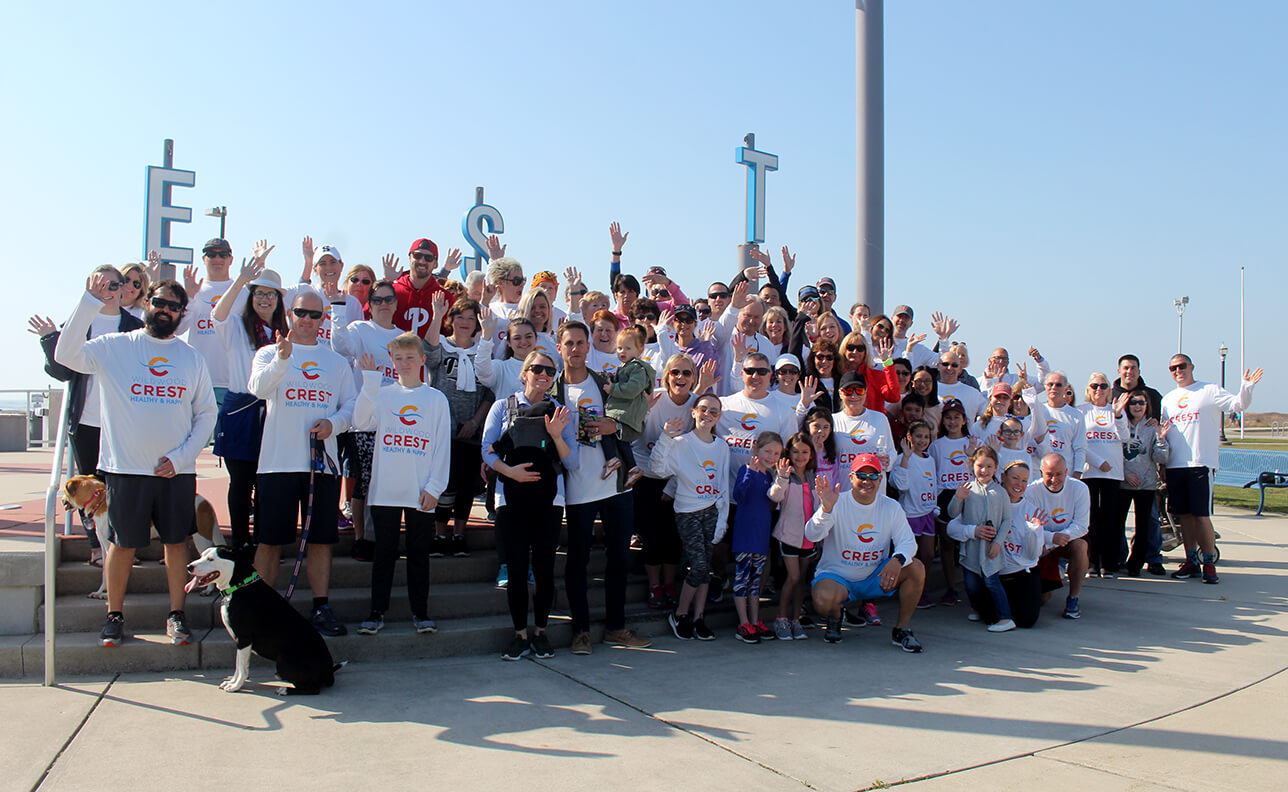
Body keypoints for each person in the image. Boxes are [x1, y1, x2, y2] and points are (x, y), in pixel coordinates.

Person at [55, 273, 216, 647]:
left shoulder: (191, 358)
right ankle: (114, 616)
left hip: (175, 472)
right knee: (122, 545)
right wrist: (88, 302)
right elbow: (65, 355)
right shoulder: (114, 346)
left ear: (181, 314)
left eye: (174, 307)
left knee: (176, 545)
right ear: (147, 304)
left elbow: (207, 413)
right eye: (159, 302)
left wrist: (181, 457)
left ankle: (177, 615)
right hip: (125, 470)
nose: (165, 310)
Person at [247, 288, 356, 635]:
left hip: (320, 466)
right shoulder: (268, 353)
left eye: (315, 315)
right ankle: (262, 609)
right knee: (269, 539)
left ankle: (321, 608)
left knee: (322, 540)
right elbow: (258, 389)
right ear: (289, 314)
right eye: (301, 313)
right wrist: (282, 359)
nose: (307, 320)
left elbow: (351, 407)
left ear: (323, 319)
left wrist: (333, 424)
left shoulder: (336, 362)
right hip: (277, 464)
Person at [32, 264, 143, 566]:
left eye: (113, 285)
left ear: (123, 289)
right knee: (86, 487)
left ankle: (120, 547)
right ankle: (96, 546)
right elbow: (62, 369)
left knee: (120, 485)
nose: (107, 290)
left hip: (121, 423)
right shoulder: (81, 323)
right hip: (86, 420)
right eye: (99, 284)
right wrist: (48, 340)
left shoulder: (134, 326)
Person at [553, 321, 651, 653]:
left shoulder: (606, 383)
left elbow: (635, 421)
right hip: (579, 489)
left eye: (581, 342)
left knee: (619, 560)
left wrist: (616, 427)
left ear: (588, 346)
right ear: (560, 348)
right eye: (570, 343)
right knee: (577, 562)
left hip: (617, 487)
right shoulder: (555, 392)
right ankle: (580, 630)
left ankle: (616, 627)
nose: (576, 349)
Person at [351, 335, 452, 636]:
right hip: (386, 491)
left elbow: (441, 447)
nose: (404, 363)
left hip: (420, 490)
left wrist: (435, 487)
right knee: (383, 553)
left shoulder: (436, 399)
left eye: (410, 357)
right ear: (392, 361)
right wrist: (369, 382)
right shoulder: (382, 394)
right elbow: (360, 420)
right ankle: (376, 611)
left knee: (419, 554)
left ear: (422, 360)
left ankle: (420, 613)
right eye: (399, 358)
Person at [807, 454, 926, 651]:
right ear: (851, 477)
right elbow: (812, 535)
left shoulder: (891, 507)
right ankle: (836, 616)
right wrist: (826, 510)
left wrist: (897, 560)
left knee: (916, 568)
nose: (867, 481)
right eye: (861, 475)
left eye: (873, 476)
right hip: (838, 578)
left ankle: (902, 629)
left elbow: (908, 542)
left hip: (875, 576)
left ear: (881, 479)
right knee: (822, 599)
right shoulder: (837, 502)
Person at [1160, 354, 1262, 584]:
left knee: (1201, 516)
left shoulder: (1209, 390)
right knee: (1184, 517)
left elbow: (1238, 404)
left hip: (1200, 465)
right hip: (1176, 466)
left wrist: (1246, 387)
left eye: (1182, 366)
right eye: (1173, 368)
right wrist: (1163, 465)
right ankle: (1191, 561)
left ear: (1191, 366)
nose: (1178, 371)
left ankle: (1208, 562)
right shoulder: (1168, 400)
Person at [210, 247, 284, 549]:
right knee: (240, 482)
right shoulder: (237, 329)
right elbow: (218, 314)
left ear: (280, 300)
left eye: (271, 294)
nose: (265, 299)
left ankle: (266, 542)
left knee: (266, 482)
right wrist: (241, 279)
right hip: (240, 411)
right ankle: (240, 541)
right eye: (259, 293)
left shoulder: (284, 333)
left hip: (274, 415)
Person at [331, 277, 407, 561]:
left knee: (386, 482)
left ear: (396, 304)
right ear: (370, 305)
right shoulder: (359, 329)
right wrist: (338, 307)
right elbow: (340, 345)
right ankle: (362, 538)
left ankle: (383, 536)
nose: (384, 304)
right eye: (377, 300)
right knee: (363, 482)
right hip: (364, 418)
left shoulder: (403, 336)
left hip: (395, 421)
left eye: (389, 299)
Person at [654, 393, 730, 642]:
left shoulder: (721, 446)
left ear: (718, 417)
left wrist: (722, 520)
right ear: (694, 412)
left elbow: (723, 486)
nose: (708, 415)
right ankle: (680, 614)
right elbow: (658, 468)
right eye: (704, 409)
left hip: (712, 511)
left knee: (705, 568)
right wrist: (665, 437)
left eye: (714, 411)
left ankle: (698, 617)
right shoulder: (680, 443)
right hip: (688, 512)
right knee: (697, 566)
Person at [424, 294, 494, 558]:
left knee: (465, 484)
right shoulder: (441, 345)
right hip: (443, 428)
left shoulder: (482, 352)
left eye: (470, 318)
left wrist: (475, 421)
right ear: (451, 320)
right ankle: (439, 532)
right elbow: (429, 357)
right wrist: (436, 313)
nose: (465, 322)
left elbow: (489, 390)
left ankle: (459, 533)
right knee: (445, 483)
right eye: (460, 316)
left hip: (471, 430)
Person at [636, 354, 703, 609]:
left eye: (686, 373)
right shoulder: (653, 398)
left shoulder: (697, 405)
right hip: (647, 476)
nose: (680, 378)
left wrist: (673, 485)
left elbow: (697, 447)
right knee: (652, 536)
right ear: (666, 377)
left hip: (678, 479)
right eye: (675, 372)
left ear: (693, 378)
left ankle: (670, 584)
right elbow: (634, 438)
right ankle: (655, 586)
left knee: (674, 537)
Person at [947, 460, 1048, 629]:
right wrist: (974, 531)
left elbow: (1033, 555)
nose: (1019, 485)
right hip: (995, 573)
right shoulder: (985, 499)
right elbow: (952, 527)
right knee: (990, 617)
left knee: (1026, 621)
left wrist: (1034, 532)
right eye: (1015, 478)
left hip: (1022, 572)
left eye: (1024, 480)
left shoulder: (1031, 510)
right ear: (1002, 477)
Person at [946, 446, 1013, 630]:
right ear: (972, 465)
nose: (984, 471)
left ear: (996, 467)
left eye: (989, 466)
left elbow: (1007, 520)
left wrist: (998, 542)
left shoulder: (1000, 492)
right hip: (972, 546)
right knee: (971, 583)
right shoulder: (967, 489)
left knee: (992, 581)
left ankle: (1005, 617)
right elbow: (952, 513)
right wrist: (958, 498)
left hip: (991, 547)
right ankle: (976, 608)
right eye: (980, 466)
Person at [731, 432, 783, 643]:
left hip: (761, 535)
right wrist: (749, 474)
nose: (771, 456)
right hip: (745, 534)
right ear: (756, 450)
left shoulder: (770, 476)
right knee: (742, 578)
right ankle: (743, 622)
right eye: (767, 451)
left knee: (755, 581)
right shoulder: (747, 470)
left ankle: (754, 620)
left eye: (776, 453)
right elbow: (739, 496)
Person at [1026, 453, 1091, 619]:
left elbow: (1082, 525)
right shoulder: (1031, 491)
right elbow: (1028, 526)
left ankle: (1073, 598)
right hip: (1044, 545)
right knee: (1041, 599)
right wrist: (1050, 538)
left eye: (1059, 474)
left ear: (1066, 472)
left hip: (1067, 541)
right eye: (1049, 474)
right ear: (1041, 473)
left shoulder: (1080, 488)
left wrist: (1061, 536)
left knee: (1081, 546)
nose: (1054, 479)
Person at [1080, 373, 1130, 577]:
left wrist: (1118, 416)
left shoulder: (1116, 411)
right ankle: (1091, 561)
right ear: (1088, 389)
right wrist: (1098, 462)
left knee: (1110, 520)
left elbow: (1124, 436)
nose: (1099, 390)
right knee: (1091, 519)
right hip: (1089, 472)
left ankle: (1109, 563)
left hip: (1113, 474)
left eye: (1103, 386)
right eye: (1094, 386)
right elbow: (1079, 442)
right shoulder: (1081, 411)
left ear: (1109, 390)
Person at [1120, 392, 1171, 577]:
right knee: (1118, 525)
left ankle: (1136, 564)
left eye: (1141, 402)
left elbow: (1160, 457)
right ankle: (1117, 559)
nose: (1137, 406)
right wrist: (1126, 474)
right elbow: (1115, 453)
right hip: (1124, 483)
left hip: (1146, 484)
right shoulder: (1120, 425)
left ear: (1147, 405)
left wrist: (1161, 438)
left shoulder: (1152, 427)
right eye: (1133, 403)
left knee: (1144, 527)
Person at [930, 400, 975, 606]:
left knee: (971, 542)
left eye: (957, 417)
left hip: (970, 495)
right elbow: (932, 474)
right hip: (945, 495)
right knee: (946, 544)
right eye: (948, 417)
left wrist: (971, 456)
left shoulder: (974, 441)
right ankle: (951, 588)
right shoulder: (937, 445)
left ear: (964, 420)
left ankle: (974, 585)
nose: (952, 421)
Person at [891, 419, 939, 609]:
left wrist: (934, 506)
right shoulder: (902, 458)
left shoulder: (930, 458)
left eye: (926, 437)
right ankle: (905, 588)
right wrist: (905, 458)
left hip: (927, 514)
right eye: (918, 436)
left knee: (927, 554)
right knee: (911, 554)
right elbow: (900, 485)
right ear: (909, 437)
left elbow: (932, 483)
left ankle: (920, 588)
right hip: (910, 515)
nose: (922, 441)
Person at [600, 325, 653, 486]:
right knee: (620, 441)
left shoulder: (638, 368)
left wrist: (613, 388)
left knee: (605, 430)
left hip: (627, 413)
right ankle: (632, 467)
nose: (622, 352)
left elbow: (632, 389)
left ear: (640, 350)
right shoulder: (627, 366)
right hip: (623, 412)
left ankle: (611, 460)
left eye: (628, 348)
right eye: (620, 348)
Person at [388, 238, 457, 338]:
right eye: (417, 255)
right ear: (410, 258)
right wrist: (386, 282)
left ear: (436, 264)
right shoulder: (392, 291)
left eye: (428, 258)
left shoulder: (445, 298)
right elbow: (368, 318)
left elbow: (452, 336)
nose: (422, 261)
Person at [1032, 370, 1087, 477]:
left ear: (1065, 388)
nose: (1054, 388)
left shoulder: (1076, 415)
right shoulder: (1037, 410)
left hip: (1065, 474)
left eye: (1058, 385)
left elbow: (1080, 448)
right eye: (1050, 384)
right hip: (1039, 473)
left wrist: (1077, 472)